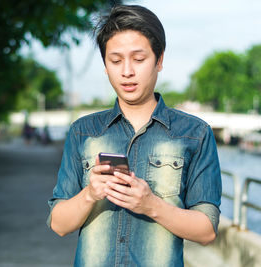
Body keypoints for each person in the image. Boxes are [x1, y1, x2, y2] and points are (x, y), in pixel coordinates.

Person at [47, 4, 221, 267]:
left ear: (159, 60)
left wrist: (151, 205)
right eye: (115, 61)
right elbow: (59, 225)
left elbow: (206, 230)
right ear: (105, 65)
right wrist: (90, 194)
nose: (127, 71)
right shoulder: (83, 132)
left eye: (139, 59)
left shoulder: (195, 134)